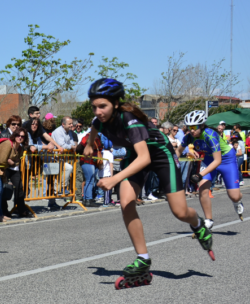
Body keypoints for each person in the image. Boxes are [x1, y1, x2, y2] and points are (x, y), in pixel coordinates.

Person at [82, 78, 213, 289]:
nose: (97, 111)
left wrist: (114, 178)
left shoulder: (129, 118)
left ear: (115, 103)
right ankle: (143, 259)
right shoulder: (99, 120)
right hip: (135, 156)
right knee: (126, 202)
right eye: (94, 106)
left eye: (102, 106)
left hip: (160, 155)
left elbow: (145, 158)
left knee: (179, 212)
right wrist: (89, 144)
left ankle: (198, 225)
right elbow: (94, 127)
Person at [181, 111, 244, 224]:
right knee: (203, 189)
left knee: (234, 196)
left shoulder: (210, 134)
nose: (191, 130)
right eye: (189, 127)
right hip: (209, 160)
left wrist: (200, 175)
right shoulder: (189, 137)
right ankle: (208, 220)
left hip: (226, 160)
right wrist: (189, 151)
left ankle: (238, 201)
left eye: (194, 127)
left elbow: (218, 160)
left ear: (202, 125)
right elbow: (177, 152)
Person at [0, 128, 31, 218]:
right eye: (18, 135)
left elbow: (18, 161)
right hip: (1, 169)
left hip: (11, 169)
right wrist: (9, 162)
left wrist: (12, 162)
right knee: (4, 190)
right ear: (14, 136)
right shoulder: (8, 144)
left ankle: (21, 209)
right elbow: (2, 160)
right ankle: (4, 211)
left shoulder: (20, 147)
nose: (20, 138)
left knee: (19, 187)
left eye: (22, 136)